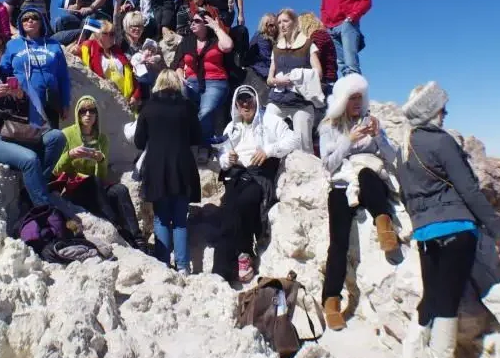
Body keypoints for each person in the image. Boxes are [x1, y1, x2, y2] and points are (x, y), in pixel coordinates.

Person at [398, 81, 500, 358]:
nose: (445, 114)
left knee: (431, 301)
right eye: (442, 109)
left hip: (425, 235)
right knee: (447, 307)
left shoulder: (403, 149)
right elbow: (468, 188)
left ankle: (411, 357)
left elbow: (406, 196)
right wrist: (498, 230)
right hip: (457, 230)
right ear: (430, 111)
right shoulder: (441, 140)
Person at [317, 74, 400, 331]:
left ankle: (384, 223)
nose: (356, 102)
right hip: (341, 184)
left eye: (359, 97)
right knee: (338, 242)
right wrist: (348, 141)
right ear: (343, 100)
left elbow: (390, 156)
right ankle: (331, 301)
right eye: (352, 98)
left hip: (367, 181)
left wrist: (377, 138)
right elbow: (327, 164)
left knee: (368, 174)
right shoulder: (328, 127)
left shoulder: (371, 121)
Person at [0, 29, 67, 209]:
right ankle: (45, 210)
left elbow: (21, 112)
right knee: (30, 160)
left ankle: (33, 185)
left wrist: (20, 98)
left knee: (57, 137)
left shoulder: (6, 76)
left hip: (15, 132)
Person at [213, 85, 300, 283]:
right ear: (236, 104)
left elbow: (292, 139)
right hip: (237, 175)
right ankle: (221, 271)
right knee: (227, 209)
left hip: (259, 175)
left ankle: (244, 254)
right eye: (241, 101)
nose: (246, 104)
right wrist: (228, 158)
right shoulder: (232, 127)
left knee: (245, 202)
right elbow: (221, 155)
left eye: (249, 100)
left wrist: (269, 150)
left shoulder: (270, 121)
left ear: (256, 101)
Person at [133, 70, 202, 275]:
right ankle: (182, 266)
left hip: (156, 168)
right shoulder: (186, 107)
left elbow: (138, 141)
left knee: (161, 217)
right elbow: (197, 137)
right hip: (182, 165)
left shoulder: (148, 107)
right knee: (180, 218)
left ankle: (163, 265)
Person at [53, 96, 145, 248]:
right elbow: (56, 170)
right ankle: (116, 225)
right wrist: (70, 155)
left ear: (96, 115)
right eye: (83, 111)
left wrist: (101, 160)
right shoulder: (67, 135)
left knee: (120, 189)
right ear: (77, 114)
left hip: (95, 188)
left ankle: (137, 237)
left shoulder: (102, 139)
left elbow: (101, 176)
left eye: (92, 111)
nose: (88, 114)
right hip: (73, 188)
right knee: (93, 181)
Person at [172, 9, 235, 149]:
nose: (192, 23)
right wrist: (179, 76)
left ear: (206, 23)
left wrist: (217, 28)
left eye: (197, 21)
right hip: (191, 82)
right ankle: (197, 140)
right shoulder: (186, 42)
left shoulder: (215, 40)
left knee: (206, 111)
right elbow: (177, 64)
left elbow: (228, 46)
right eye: (191, 21)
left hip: (215, 82)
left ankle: (201, 144)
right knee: (177, 102)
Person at [0, 6, 71, 129]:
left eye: (34, 18)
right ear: (20, 24)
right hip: (22, 101)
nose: (30, 21)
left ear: (41, 22)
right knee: (26, 140)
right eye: (25, 19)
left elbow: (63, 76)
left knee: (51, 139)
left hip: (50, 102)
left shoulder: (53, 45)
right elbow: (3, 70)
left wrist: (65, 103)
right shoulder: (12, 45)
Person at [265, 9, 325, 153]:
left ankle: (308, 172)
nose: (282, 25)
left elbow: (319, 73)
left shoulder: (308, 44)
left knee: (303, 145)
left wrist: (297, 76)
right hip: (278, 100)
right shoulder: (276, 48)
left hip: (301, 102)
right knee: (267, 127)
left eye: (285, 21)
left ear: (295, 22)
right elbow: (269, 79)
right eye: (279, 22)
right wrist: (277, 82)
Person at [70, 20, 141, 109]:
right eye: (110, 34)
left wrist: (135, 96)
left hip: (124, 101)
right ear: (99, 34)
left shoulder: (117, 50)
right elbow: (74, 63)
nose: (113, 37)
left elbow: (131, 75)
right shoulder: (88, 47)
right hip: (102, 102)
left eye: (113, 33)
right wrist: (74, 52)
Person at [297, 13, 338, 97]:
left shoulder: (318, 35)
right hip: (328, 82)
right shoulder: (322, 34)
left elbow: (311, 58)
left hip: (325, 83)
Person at [245, 14, 278, 98]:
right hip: (258, 72)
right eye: (271, 25)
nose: (274, 28)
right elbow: (267, 58)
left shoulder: (272, 39)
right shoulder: (261, 37)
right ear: (264, 25)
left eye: (276, 25)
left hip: (263, 71)